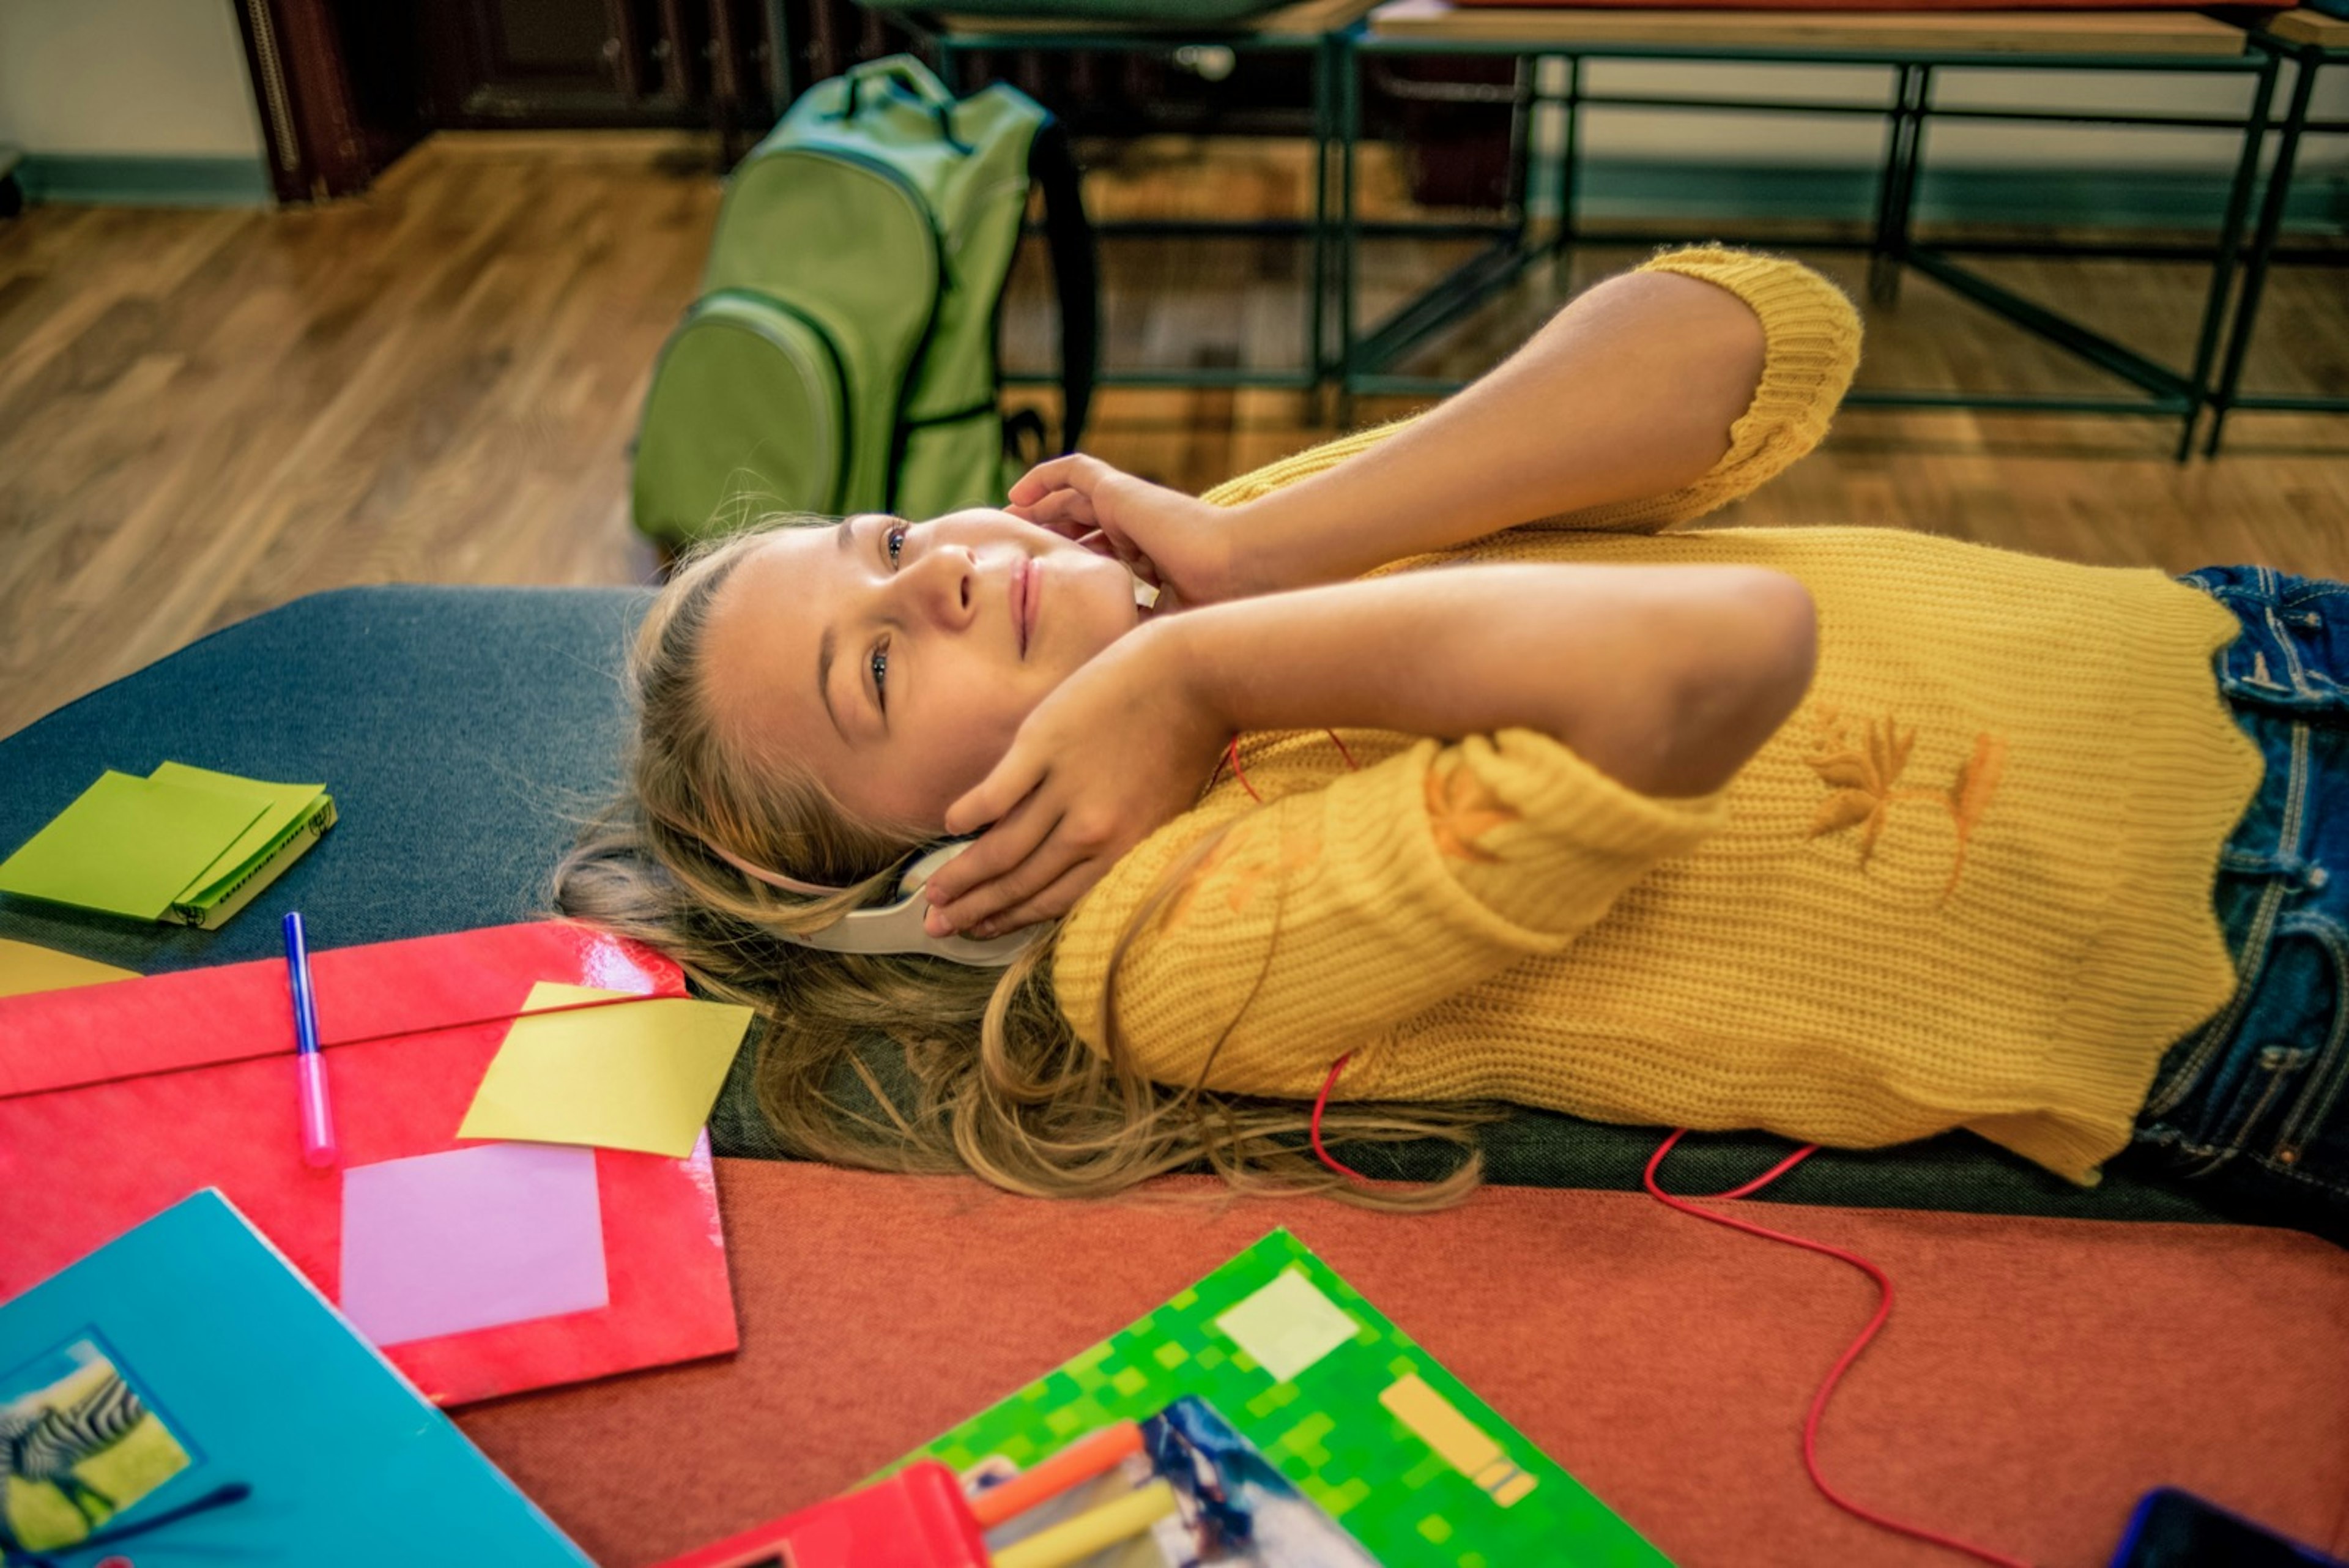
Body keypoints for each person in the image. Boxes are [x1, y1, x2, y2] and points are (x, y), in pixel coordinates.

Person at [557, 247, 2348, 1238]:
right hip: (2272, 957)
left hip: (2247, 640)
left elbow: (1765, 333)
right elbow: (1718, 654)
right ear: (934, 878)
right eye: (880, 671)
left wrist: (1269, 545)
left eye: (888, 538)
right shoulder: (1166, 950)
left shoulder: (1208, 582)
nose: (948, 571)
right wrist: (1201, 680)